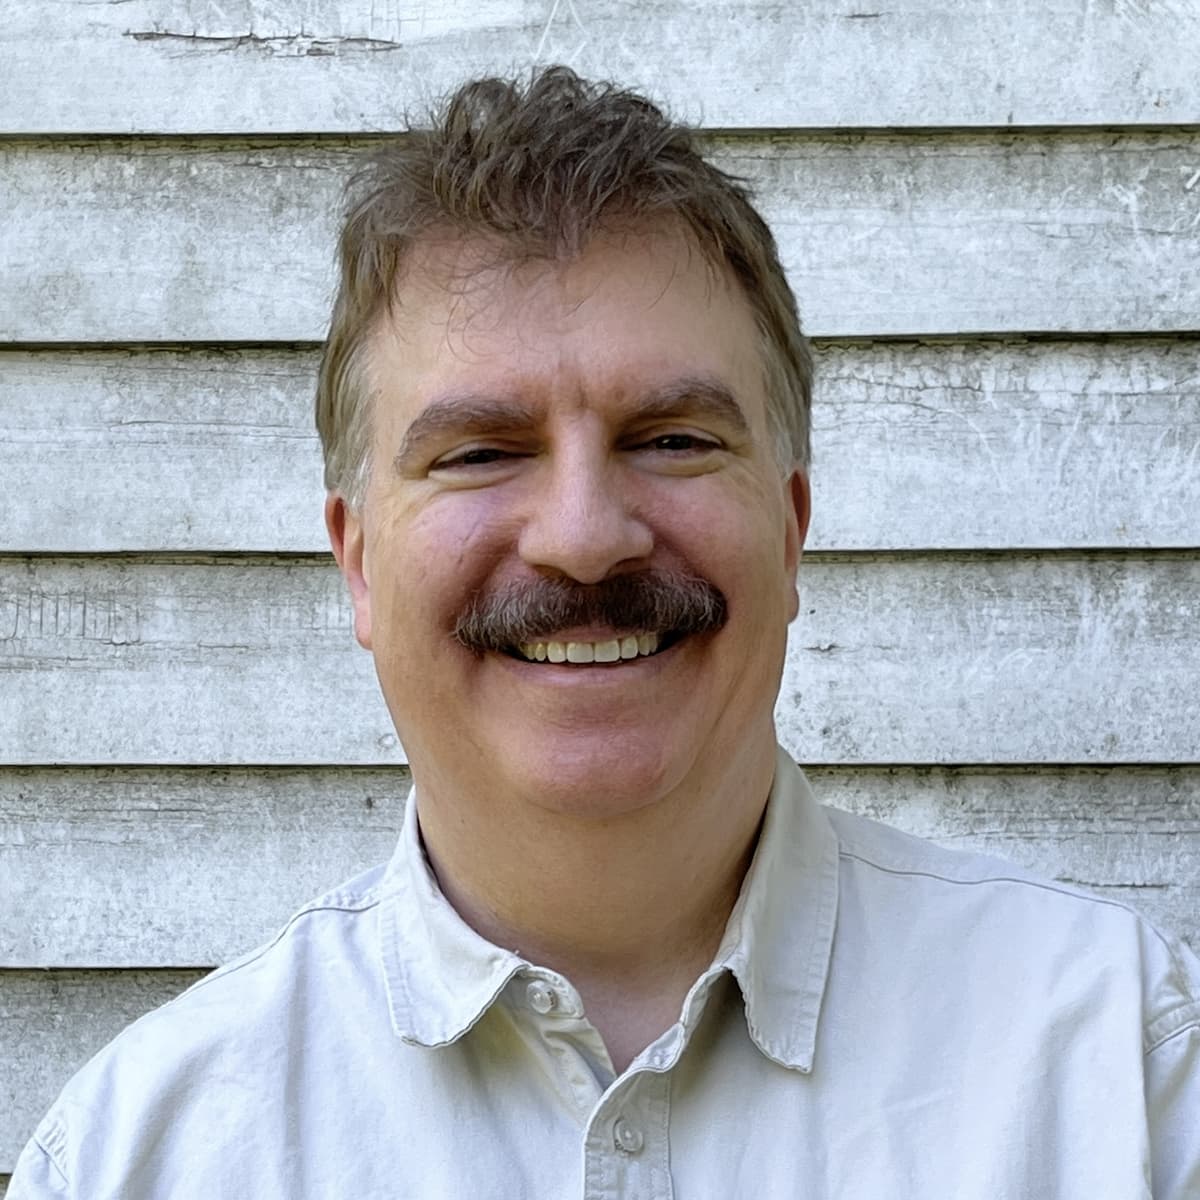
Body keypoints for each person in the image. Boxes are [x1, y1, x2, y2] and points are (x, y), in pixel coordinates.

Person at [11, 67, 1199, 1199]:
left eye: (674, 437)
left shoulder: (1120, 1070)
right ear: (359, 559)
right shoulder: (144, 1156)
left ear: (790, 531)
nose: (584, 537)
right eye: (480, 452)